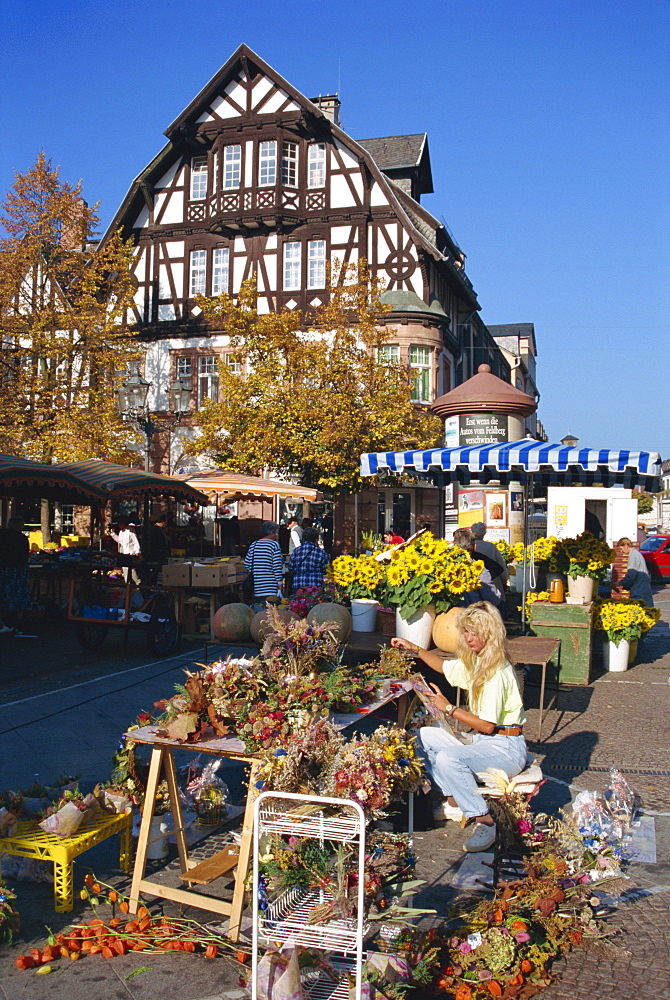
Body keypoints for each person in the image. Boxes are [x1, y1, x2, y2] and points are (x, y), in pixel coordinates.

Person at [391, 601, 527, 852]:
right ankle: (454, 800)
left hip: (506, 748)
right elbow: (444, 666)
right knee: (422, 736)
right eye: (466, 631)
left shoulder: (496, 671)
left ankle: (485, 821)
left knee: (447, 758)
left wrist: (449, 709)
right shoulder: (481, 661)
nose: (469, 638)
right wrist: (416, 649)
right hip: (488, 742)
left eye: (475, 632)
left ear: (491, 633)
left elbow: (486, 726)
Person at [453, 527, 505, 611]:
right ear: (475, 547)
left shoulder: (447, 565)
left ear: (454, 544)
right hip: (473, 616)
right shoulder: (479, 569)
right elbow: (493, 599)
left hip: (448, 617)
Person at [0, 516, 31, 631]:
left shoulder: (2, 534)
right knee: (18, 595)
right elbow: (24, 555)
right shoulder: (21, 538)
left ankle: (4, 620)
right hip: (17, 569)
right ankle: (17, 621)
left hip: (3, 567)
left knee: (3, 594)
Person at [244, 521, 284, 605]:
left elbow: (247, 564)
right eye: (276, 533)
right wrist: (279, 582)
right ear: (271, 532)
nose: (276, 535)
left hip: (256, 587)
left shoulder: (254, 545)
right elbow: (277, 566)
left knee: (259, 610)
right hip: (270, 587)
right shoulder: (274, 545)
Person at [287, 527, 329, 593]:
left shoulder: (296, 551)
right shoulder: (321, 552)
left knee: (297, 602)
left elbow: (291, 568)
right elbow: (326, 569)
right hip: (315, 586)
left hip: (298, 585)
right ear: (316, 538)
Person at [614, 537, 654, 606]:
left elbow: (631, 574)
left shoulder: (633, 555)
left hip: (639, 587)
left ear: (626, 545)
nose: (621, 551)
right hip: (643, 585)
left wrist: (620, 583)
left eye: (621, 548)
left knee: (638, 608)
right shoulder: (636, 553)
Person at [471, 522, 508, 588]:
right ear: (484, 532)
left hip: (474, 583)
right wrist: (504, 579)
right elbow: (501, 564)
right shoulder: (491, 546)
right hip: (493, 582)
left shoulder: (469, 547)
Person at [109, 517, 141, 586]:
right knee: (126, 572)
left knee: (132, 572)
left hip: (131, 553)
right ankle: (128, 586)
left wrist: (137, 551)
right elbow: (120, 541)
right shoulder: (121, 532)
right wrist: (113, 534)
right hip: (124, 553)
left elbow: (135, 541)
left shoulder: (130, 531)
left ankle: (138, 585)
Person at [144, 515, 170, 584]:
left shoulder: (157, 529)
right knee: (156, 571)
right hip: (156, 554)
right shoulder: (156, 530)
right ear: (163, 522)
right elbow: (156, 542)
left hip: (156, 554)